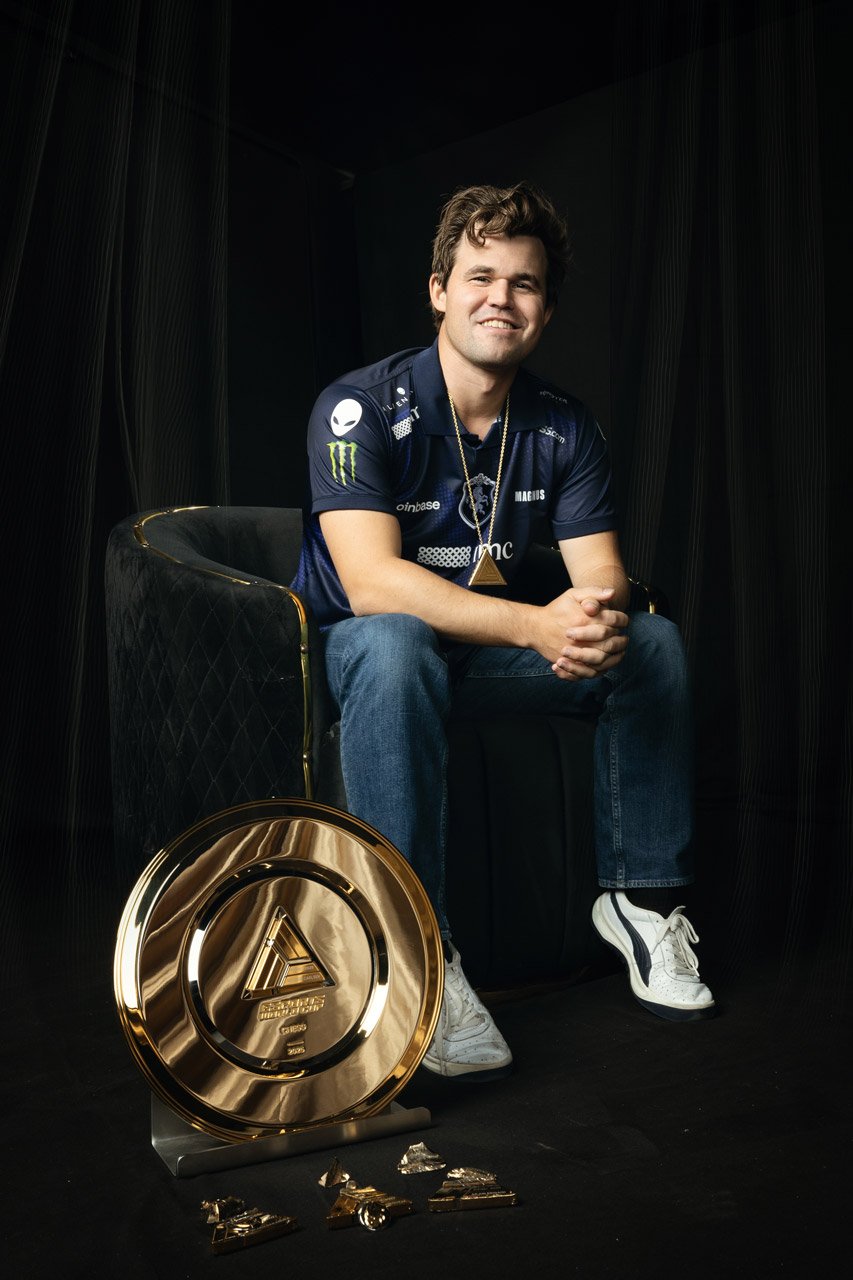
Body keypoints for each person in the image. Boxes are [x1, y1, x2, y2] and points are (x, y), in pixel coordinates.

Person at [291, 181, 713, 1080]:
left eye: (524, 284)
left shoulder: (563, 424)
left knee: (651, 644)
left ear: (545, 310)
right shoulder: (356, 407)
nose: (501, 299)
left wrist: (589, 617)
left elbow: (600, 573)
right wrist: (533, 624)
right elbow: (370, 584)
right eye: (479, 277)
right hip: (360, 659)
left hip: (479, 659)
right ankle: (417, 949)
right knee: (396, 641)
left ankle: (638, 903)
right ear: (438, 290)